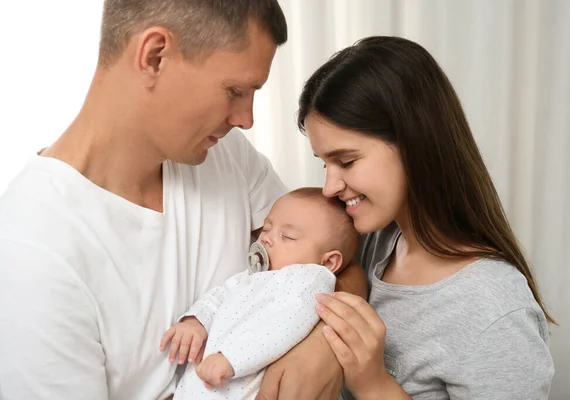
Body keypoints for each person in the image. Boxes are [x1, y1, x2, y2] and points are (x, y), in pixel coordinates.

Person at [0, 1, 361, 399]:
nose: (246, 118)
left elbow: (340, 260)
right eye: (235, 91)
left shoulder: (226, 156)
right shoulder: (31, 252)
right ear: (155, 56)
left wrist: (323, 347)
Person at [297, 36, 555, 399]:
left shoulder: (494, 308)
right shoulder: (374, 241)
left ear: (414, 142)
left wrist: (374, 385)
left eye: (346, 161)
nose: (329, 186)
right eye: (324, 163)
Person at [163, 188, 360, 399]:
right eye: (267, 228)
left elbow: (285, 323)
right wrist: (197, 321)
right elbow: (220, 295)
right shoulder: (252, 276)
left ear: (328, 262)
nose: (267, 238)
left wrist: (232, 358)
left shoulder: (309, 278)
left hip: (239, 381)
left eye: (288, 236)